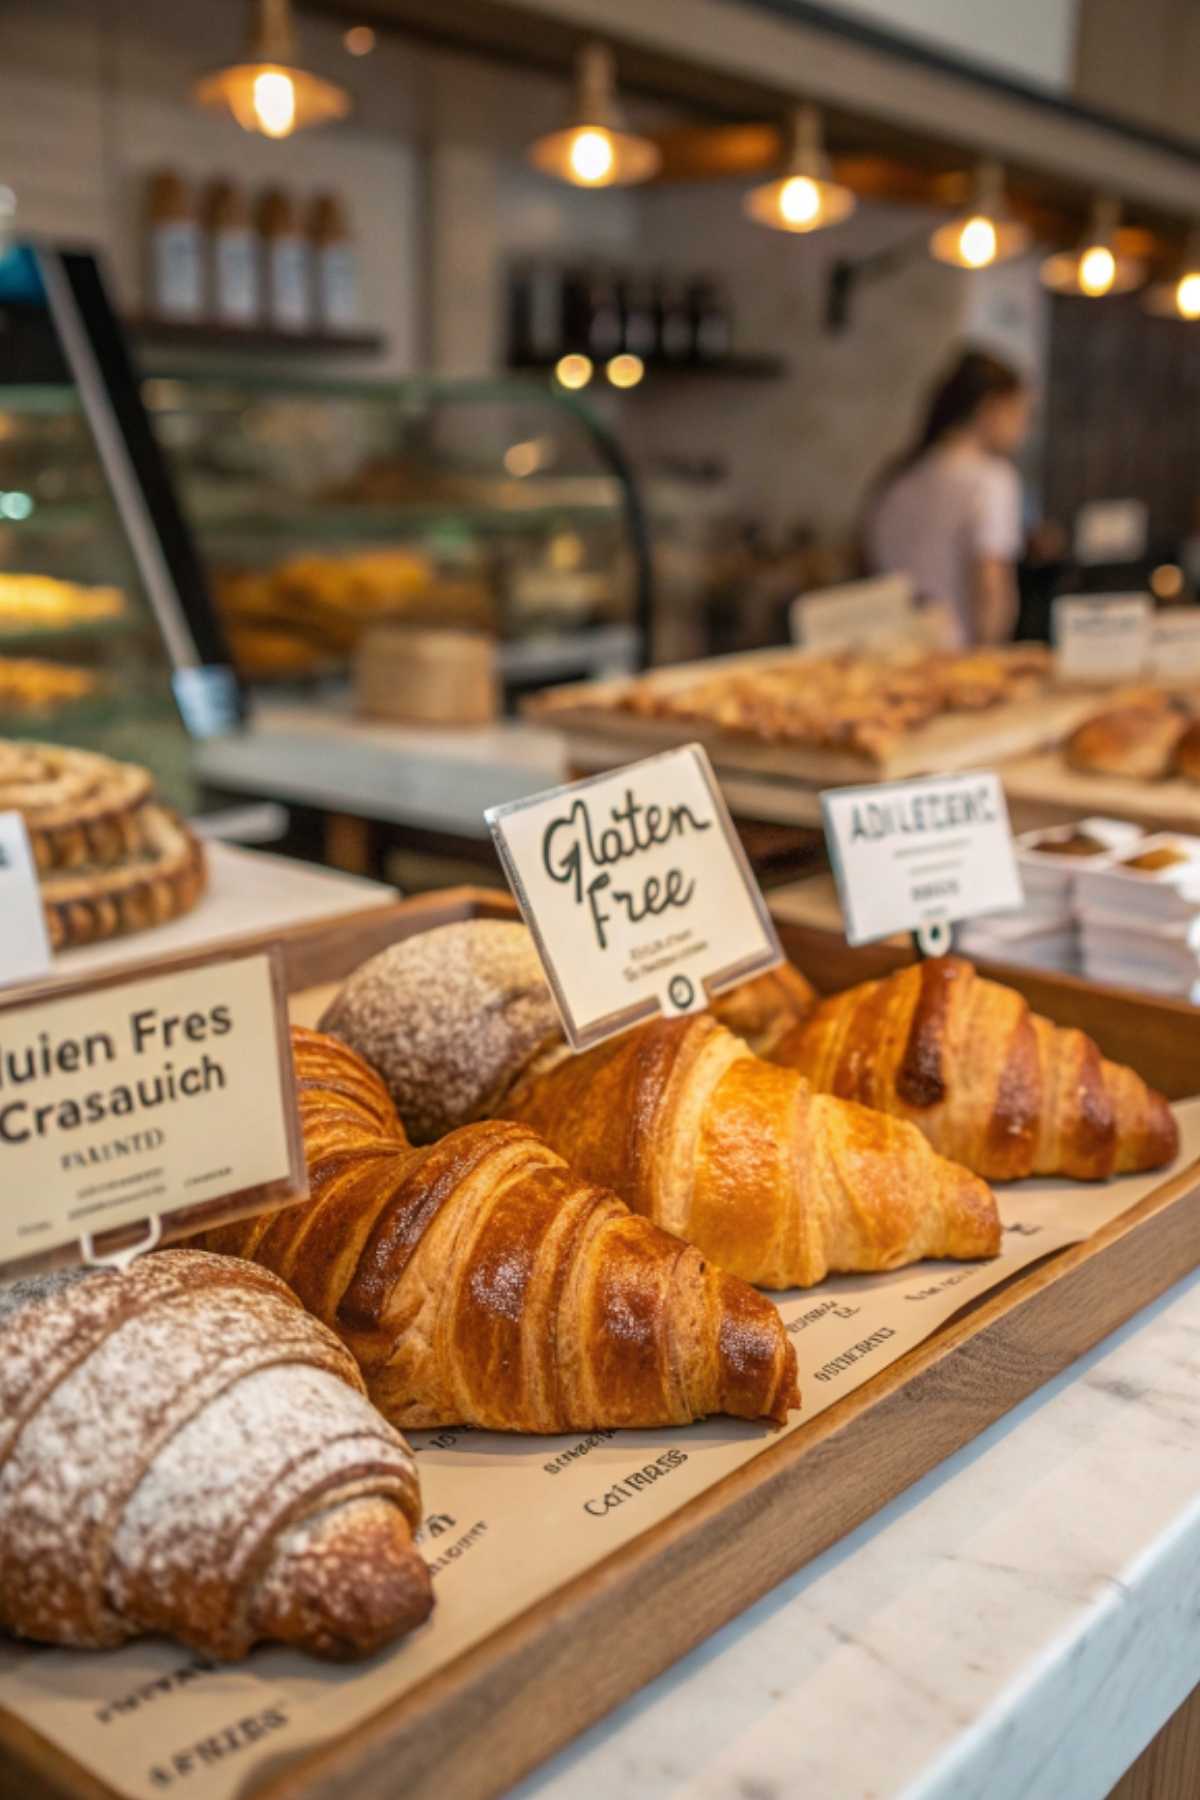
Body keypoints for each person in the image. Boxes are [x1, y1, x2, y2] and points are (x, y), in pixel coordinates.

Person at [864, 348, 1033, 646]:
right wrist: (988, 664)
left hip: (890, 657)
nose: (1024, 429)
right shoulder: (991, 479)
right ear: (990, 409)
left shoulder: (897, 478)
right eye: (1020, 413)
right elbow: (992, 588)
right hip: (956, 661)